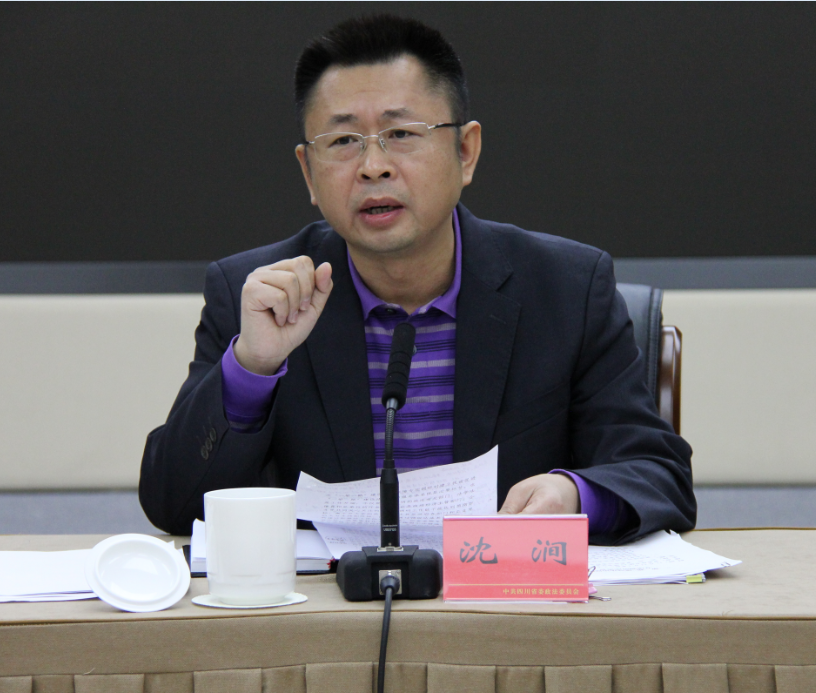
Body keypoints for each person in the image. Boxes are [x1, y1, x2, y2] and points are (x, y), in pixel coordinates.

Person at [139, 15, 695, 544]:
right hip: (331, 609)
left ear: (466, 152)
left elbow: (657, 474)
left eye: (401, 133)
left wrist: (574, 494)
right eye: (343, 141)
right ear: (308, 172)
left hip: (507, 602)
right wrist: (252, 369)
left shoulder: (567, 289)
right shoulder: (258, 297)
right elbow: (172, 504)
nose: (373, 166)